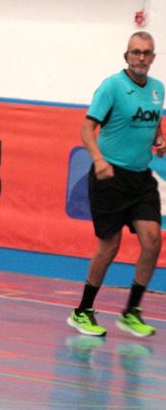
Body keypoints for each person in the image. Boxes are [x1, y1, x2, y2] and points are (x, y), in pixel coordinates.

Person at [68, 31, 164, 339]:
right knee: (109, 246)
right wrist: (98, 159)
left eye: (146, 53)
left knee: (152, 241)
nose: (141, 57)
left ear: (152, 57)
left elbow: (154, 123)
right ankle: (83, 311)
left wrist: (159, 139)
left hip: (140, 177)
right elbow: (86, 128)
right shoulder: (112, 87)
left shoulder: (157, 90)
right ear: (127, 56)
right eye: (135, 52)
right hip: (110, 177)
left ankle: (131, 312)